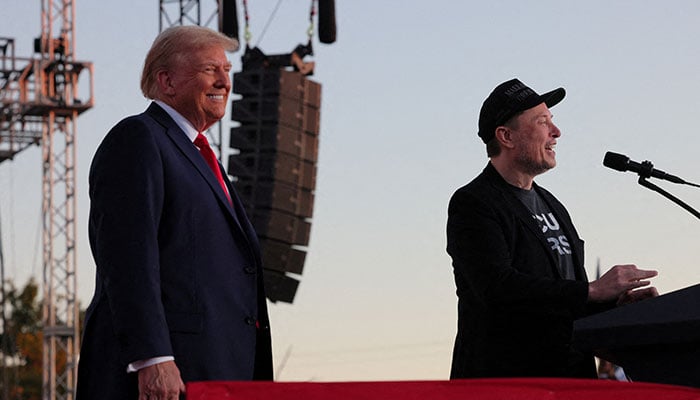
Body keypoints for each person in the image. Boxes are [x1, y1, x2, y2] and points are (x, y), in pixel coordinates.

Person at [76, 25, 272, 400]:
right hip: (166, 375)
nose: (224, 81)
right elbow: (128, 257)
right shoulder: (139, 139)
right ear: (166, 81)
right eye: (209, 69)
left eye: (227, 71)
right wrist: (152, 356)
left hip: (221, 372)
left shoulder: (202, 157)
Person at [446, 78, 658, 379]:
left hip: (570, 379)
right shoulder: (474, 202)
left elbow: (565, 302)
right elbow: (496, 287)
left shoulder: (554, 206)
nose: (556, 133)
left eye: (552, 122)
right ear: (506, 136)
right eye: (543, 122)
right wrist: (592, 290)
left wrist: (616, 306)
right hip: (509, 384)